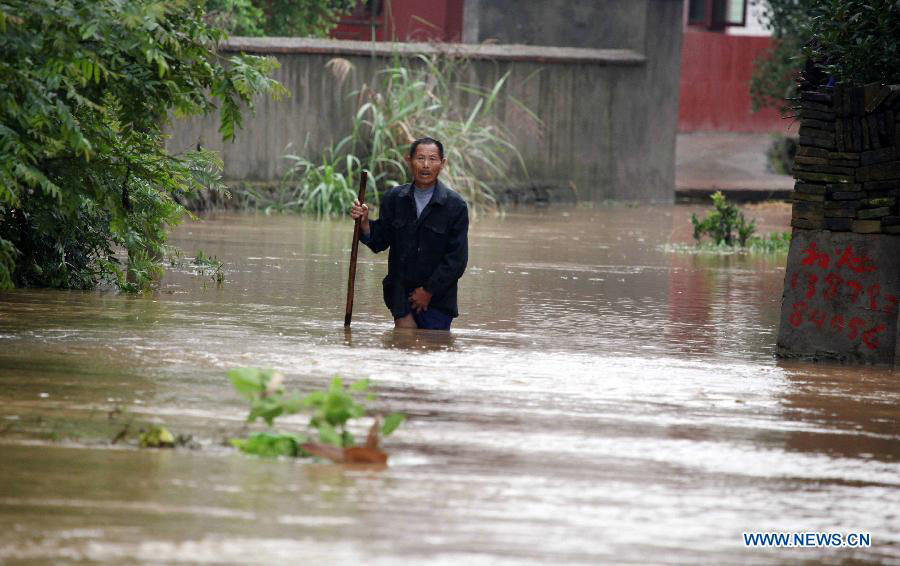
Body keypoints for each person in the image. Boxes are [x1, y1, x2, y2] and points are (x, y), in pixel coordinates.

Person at [349, 137, 469, 330]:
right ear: (409, 160)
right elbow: (380, 240)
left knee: (433, 350)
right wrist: (364, 223)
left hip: (438, 299)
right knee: (404, 344)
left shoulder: (455, 206)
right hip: (399, 293)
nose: (426, 165)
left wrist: (428, 291)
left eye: (432, 159)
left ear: (443, 163)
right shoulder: (394, 199)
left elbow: (457, 260)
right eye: (420, 158)